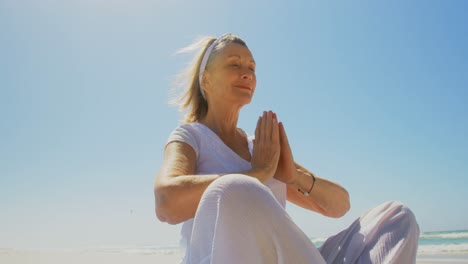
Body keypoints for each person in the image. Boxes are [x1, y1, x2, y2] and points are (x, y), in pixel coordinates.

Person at [154, 33, 420, 264]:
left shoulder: (259, 146)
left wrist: (293, 175)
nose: (247, 73)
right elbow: (166, 203)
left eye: (252, 67)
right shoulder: (190, 135)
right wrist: (257, 174)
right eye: (234, 64)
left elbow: (340, 206)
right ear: (206, 80)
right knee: (233, 190)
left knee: (397, 216)